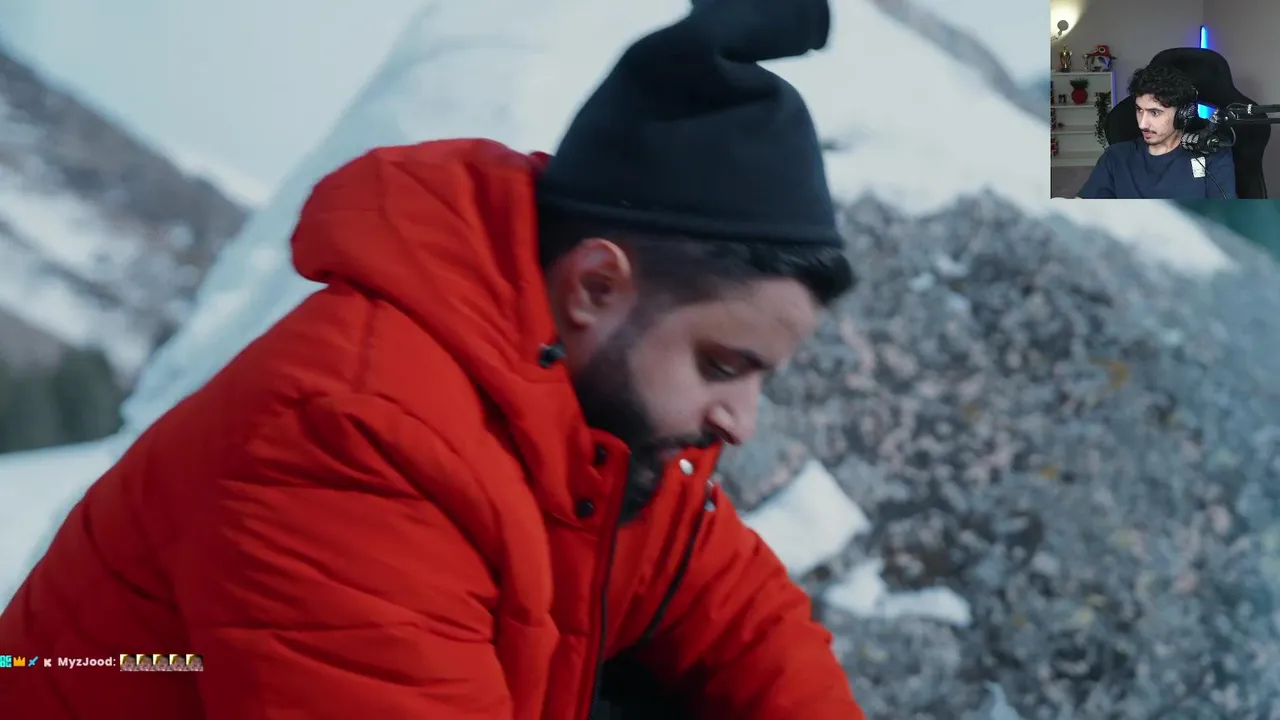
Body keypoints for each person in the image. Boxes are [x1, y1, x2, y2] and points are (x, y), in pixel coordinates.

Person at [0, 0, 864, 717]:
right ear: (596, 285)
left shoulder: (615, 436)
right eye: (723, 365)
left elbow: (744, 624)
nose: (740, 421)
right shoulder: (346, 435)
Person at [1079, 65, 1237, 199]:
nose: (1142, 124)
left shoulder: (1212, 155)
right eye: (1139, 110)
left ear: (1183, 114)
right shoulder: (1115, 157)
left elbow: (1224, 219)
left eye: (1155, 113)